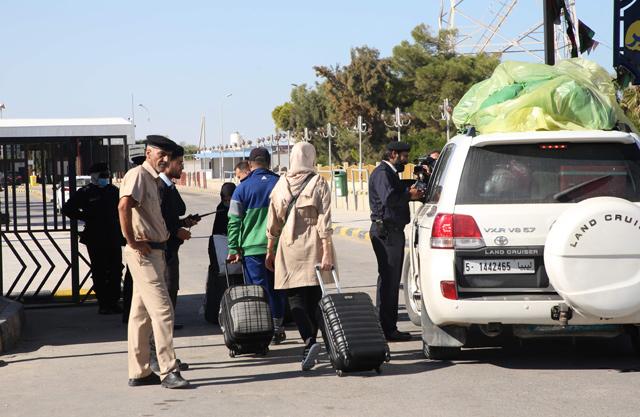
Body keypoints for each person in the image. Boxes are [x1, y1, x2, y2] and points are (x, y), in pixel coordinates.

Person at [118, 135, 189, 389]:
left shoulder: (153, 180)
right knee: (163, 310)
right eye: (161, 154)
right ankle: (168, 370)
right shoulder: (138, 174)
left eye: (168, 156)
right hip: (144, 254)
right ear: (149, 152)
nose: (165, 160)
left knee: (140, 315)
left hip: (155, 252)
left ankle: (139, 371)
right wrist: (132, 241)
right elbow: (124, 206)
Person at [265, 142, 333, 371]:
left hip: (288, 246)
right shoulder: (319, 182)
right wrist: (327, 252)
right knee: (316, 296)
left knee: (294, 297)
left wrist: (269, 249)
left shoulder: (280, 184)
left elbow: (272, 221)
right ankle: (329, 343)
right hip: (314, 244)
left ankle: (308, 341)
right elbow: (325, 220)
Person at [227, 147, 287, 344]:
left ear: (250, 164)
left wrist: (233, 248)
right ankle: (277, 327)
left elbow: (234, 221)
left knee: (258, 291)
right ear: (269, 163)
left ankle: (263, 330)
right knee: (278, 287)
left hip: (252, 249)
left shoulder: (241, 188)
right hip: (278, 247)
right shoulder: (281, 183)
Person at [369, 141, 425, 342]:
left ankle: (384, 326)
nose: (406, 159)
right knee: (390, 282)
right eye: (403, 155)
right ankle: (388, 329)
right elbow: (389, 198)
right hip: (387, 233)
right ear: (393, 153)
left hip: (390, 232)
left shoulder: (389, 173)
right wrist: (409, 195)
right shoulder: (383, 173)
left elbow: (397, 188)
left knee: (387, 281)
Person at [62, 162, 123, 315]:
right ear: (94, 177)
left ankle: (114, 302)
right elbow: (68, 209)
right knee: (99, 270)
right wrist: (87, 217)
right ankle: (103, 304)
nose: (105, 178)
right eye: (102, 176)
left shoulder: (113, 191)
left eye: (106, 176)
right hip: (95, 237)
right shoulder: (85, 192)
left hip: (113, 236)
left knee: (116, 270)